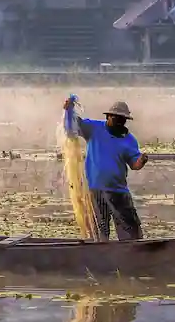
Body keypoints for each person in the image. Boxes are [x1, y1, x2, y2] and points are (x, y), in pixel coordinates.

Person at [63, 98, 148, 241]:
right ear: (108, 116)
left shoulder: (129, 140)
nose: (119, 121)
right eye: (115, 117)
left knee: (129, 229)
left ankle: (134, 253)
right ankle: (101, 254)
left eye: (122, 119)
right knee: (99, 228)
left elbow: (134, 164)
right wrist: (68, 110)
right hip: (95, 190)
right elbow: (72, 126)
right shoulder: (93, 128)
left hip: (118, 191)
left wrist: (141, 161)